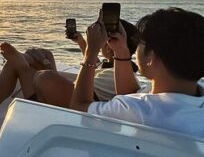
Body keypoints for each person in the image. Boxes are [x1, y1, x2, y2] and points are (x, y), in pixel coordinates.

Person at [0, 19, 140, 123]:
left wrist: (49, 75)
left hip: (68, 111)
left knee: (35, 72)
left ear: (110, 45)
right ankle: (26, 65)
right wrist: (79, 41)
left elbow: (83, 97)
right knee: (46, 56)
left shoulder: (119, 76)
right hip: (63, 101)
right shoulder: (110, 66)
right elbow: (92, 60)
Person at [71, 8, 204, 137]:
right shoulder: (195, 94)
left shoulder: (136, 110)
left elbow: (79, 107)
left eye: (141, 43)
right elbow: (133, 95)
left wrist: (91, 50)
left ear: (151, 57)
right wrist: (121, 50)